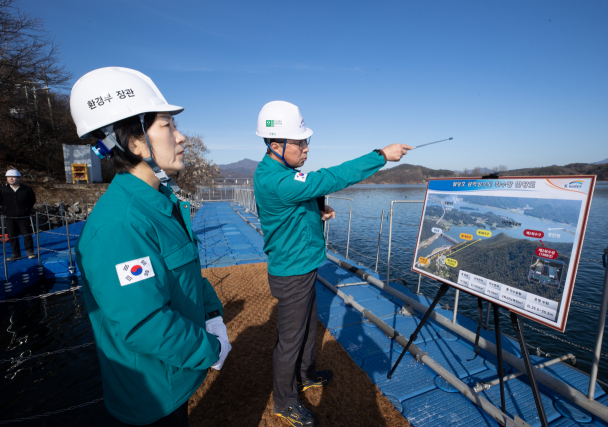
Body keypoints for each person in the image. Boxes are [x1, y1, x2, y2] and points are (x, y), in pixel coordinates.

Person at [69, 67, 231, 426]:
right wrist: (211, 348)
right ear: (136, 143)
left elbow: (186, 272)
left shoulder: (159, 202)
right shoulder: (120, 225)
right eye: (167, 125)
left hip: (174, 380)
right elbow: (144, 325)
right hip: (152, 398)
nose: (182, 136)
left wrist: (212, 314)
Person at [253, 100, 412, 426]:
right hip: (292, 271)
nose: (307, 148)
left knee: (309, 327)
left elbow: (306, 192)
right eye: (300, 142)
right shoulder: (275, 180)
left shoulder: (281, 172)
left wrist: (318, 210)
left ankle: (307, 372)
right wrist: (380, 156)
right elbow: (328, 178)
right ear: (275, 144)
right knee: (290, 340)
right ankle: (284, 401)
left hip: (303, 264)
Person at [0, 169, 36, 261]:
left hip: (23, 216)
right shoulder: (3, 190)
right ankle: (16, 253)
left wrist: (27, 210)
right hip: (9, 217)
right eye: (8, 177)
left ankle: (30, 251)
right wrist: (3, 211)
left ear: (19, 178)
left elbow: (32, 200)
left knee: (27, 234)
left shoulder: (27, 189)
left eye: (13, 177)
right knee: (12, 236)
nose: (11, 179)